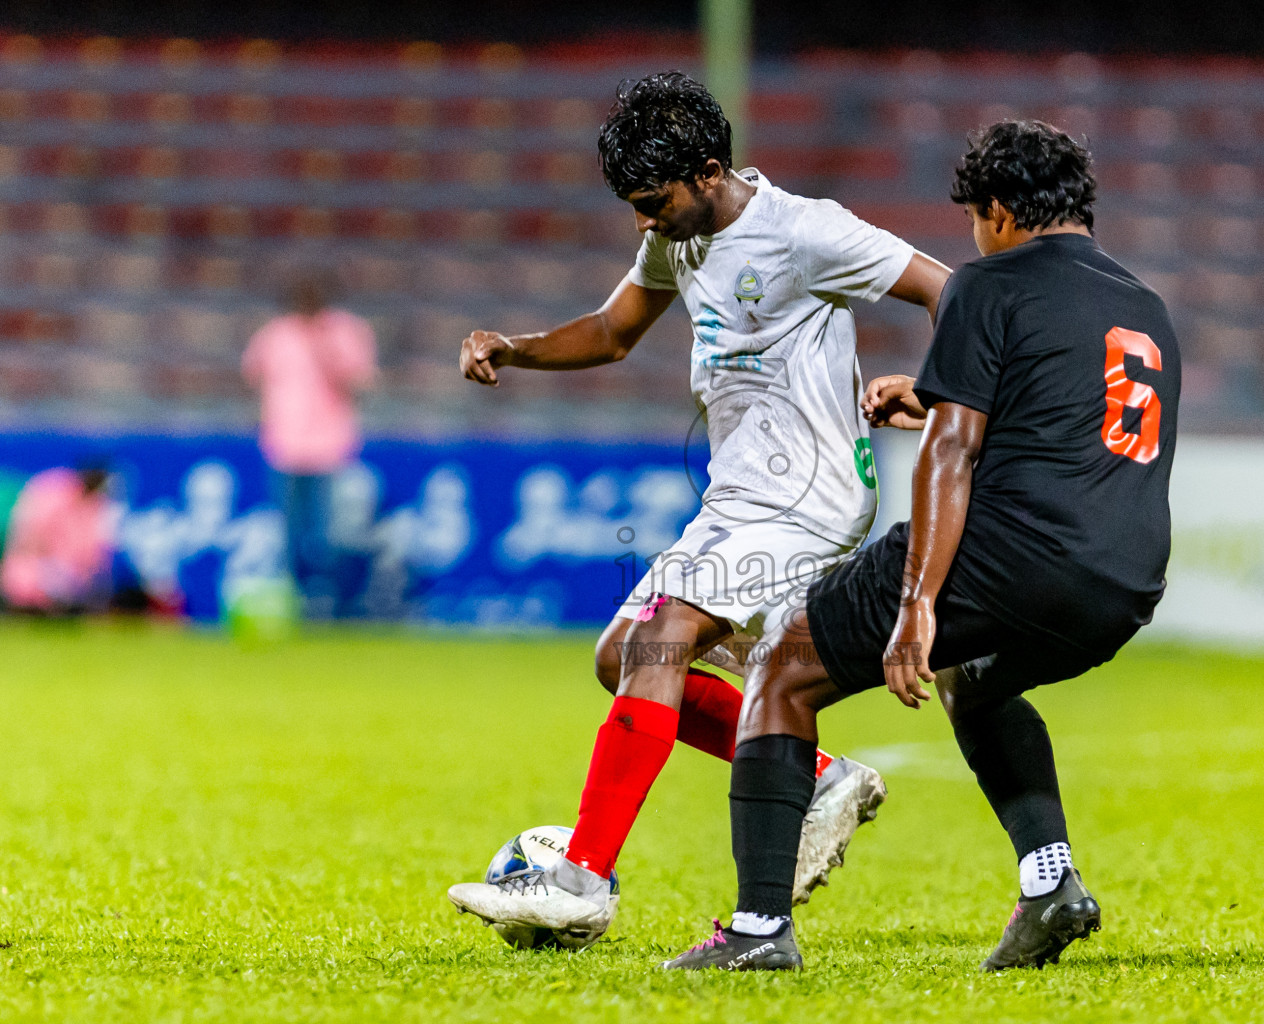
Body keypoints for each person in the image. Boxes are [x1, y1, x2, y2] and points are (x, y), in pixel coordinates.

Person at [662, 119, 1181, 971]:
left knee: (782, 667)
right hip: (1124, 582)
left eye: (978, 217)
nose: (975, 235)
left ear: (1003, 212)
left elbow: (952, 453)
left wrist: (917, 605)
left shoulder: (990, 283)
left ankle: (757, 931)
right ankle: (1051, 881)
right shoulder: (1144, 308)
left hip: (1016, 555)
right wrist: (935, 398)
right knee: (973, 680)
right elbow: (1063, 428)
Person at [447, 72, 951, 946]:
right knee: (623, 658)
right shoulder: (676, 234)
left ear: (709, 170)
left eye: (653, 202)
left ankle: (583, 878)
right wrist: (514, 349)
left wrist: (940, 394)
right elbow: (612, 331)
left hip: (807, 498)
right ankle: (824, 778)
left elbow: (951, 290)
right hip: (739, 498)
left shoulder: (806, 231)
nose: (644, 222)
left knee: (664, 632)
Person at [242, 275, 378, 618]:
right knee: (288, 532)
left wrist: (324, 346)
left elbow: (359, 379)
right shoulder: (276, 334)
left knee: (326, 535)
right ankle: (291, 604)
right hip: (284, 445)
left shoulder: (345, 331)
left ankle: (328, 605)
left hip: (328, 447)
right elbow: (252, 373)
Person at [1, 463, 114, 614]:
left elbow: (92, 553)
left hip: (67, 576)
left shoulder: (95, 504)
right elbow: (29, 534)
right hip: (34, 564)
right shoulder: (53, 490)